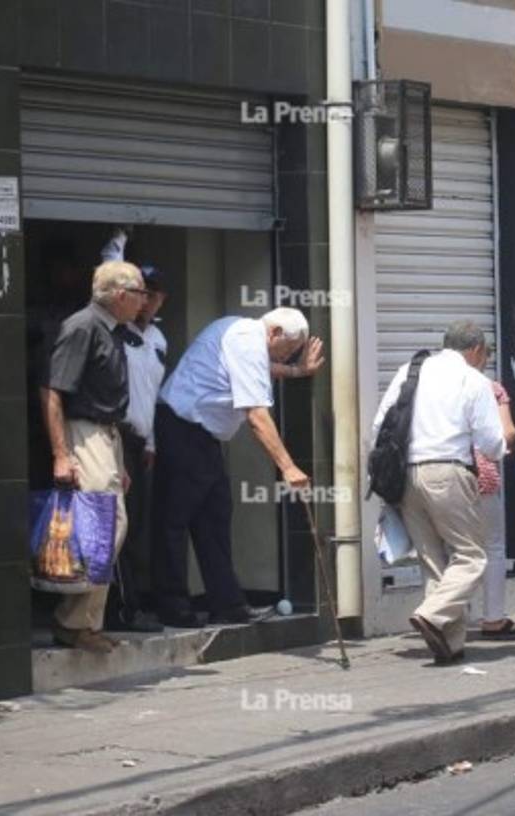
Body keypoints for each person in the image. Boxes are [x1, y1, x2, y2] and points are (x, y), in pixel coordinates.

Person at [151, 307, 324, 628]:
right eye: (288, 350)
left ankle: (227, 603)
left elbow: (264, 368)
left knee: (214, 518)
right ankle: (171, 606)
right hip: (182, 429)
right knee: (173, 521)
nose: (287, 357)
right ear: (273, 333)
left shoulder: (243, 333)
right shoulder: (247, 341)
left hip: (200, 437)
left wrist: (298, 371)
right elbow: (256, 415)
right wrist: (288, 467)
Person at [372, 321, 507, 664]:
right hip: (448, 472)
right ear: (476, 350)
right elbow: (490, 443)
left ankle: (450, 644)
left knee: (434, 561)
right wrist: (505, 445)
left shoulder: (410, 370)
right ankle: (432, 613)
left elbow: (378, 426)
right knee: (472, 556)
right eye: (486, 354)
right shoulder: (473, 380)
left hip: (406, 476)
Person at [41, 260, 148, 653]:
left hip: (106, 434)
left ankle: (80, 622)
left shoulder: (112, 330)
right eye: (140, 293)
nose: (144, 301)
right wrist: (61, 454)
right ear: (120, 295)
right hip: (84, 431)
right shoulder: (83, 327)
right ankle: (73, 621)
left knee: (108, 525)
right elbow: (53, 391)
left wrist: (117, 463)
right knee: (106, 525)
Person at [104, 261, 168, 633]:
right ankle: (120, 610)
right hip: (115, 438)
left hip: (141, 442)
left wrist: (152, 442)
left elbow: (151, 395)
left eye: (152, 295)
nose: (145, 303)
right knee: (118, 526)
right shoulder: (113, 333)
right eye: (140, 294)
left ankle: (130, 605)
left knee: (136, 527)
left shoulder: (158, 340)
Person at [472, 346, 515, 639]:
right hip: (482, 478)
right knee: (491, 546)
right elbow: (508, 433)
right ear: (479, 354)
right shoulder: (491, 388)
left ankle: (445, 618)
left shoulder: (433, 387)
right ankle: (493, 618)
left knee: (450, 550)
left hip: (435, 477)